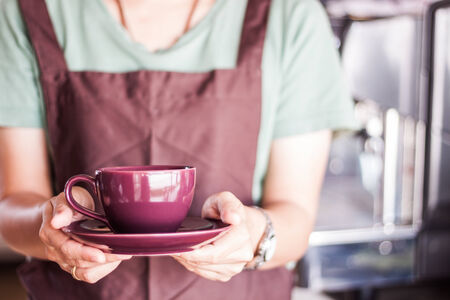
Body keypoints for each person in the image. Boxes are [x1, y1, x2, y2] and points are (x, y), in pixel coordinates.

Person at [0, 0, 355, 299]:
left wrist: (255, 232)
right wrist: (51, 229)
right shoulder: (26, 11)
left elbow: (296, 218)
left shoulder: (290, 14)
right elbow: (14, 203)